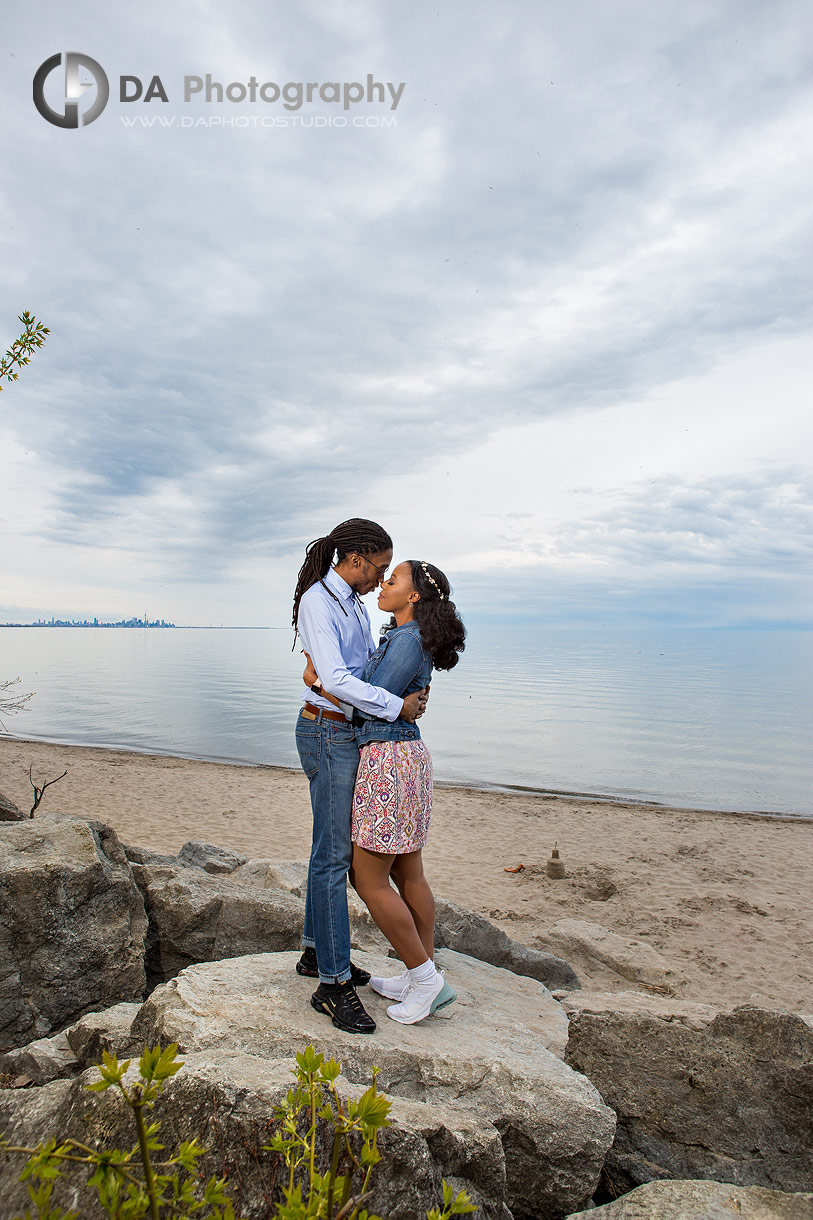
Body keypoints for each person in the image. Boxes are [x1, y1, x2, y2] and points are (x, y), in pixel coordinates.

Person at [304, 558, 465, 1025]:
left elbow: (370, 704)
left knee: (367, 878)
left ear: (413, 597)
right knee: (408, 872)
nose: (383, 584)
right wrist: (398, 705)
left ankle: (426, 978)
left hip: (388, 761)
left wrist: (318, 683)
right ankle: (422, 972)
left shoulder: (407, 639)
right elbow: (389, 702)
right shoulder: (406, 637)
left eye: (392, 580)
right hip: (404, 758)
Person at [292, 519, 429, 1035]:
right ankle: (332, 984)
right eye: (377, 569)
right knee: (334, 857)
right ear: (354, 560)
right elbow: (338, 678)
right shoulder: (319, 602)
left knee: (326, 849)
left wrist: (398, 692)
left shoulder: (350, 601)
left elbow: (354, 671)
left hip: (342, 729)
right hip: (328, 733)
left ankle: (313, 953)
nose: (378, 581)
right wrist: (399, 706)